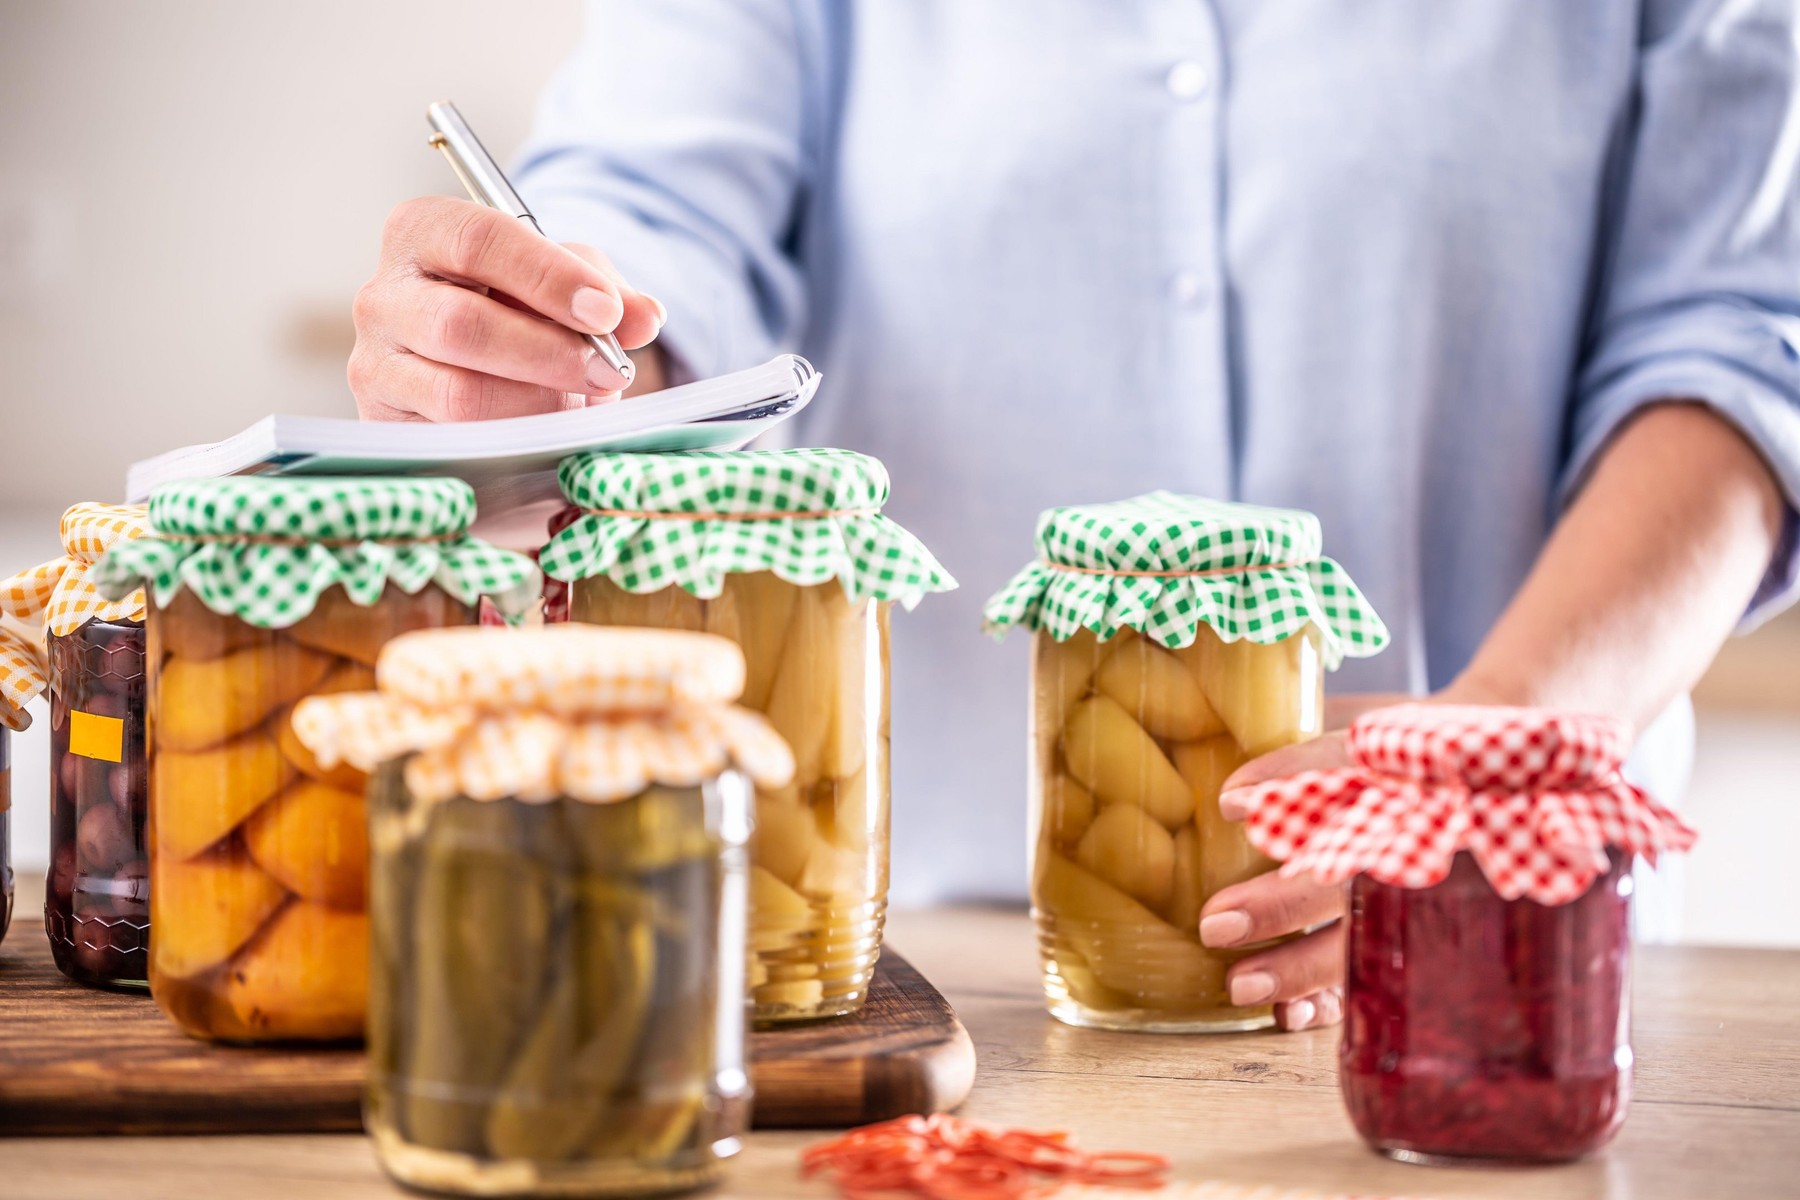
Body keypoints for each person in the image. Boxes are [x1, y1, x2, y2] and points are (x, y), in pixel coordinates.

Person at [348, 2, 1800, 1031]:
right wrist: (544, 341)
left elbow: (1746, 338)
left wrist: (1503, 735)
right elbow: (660, 215)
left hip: (1484, 962)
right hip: (912, 982)